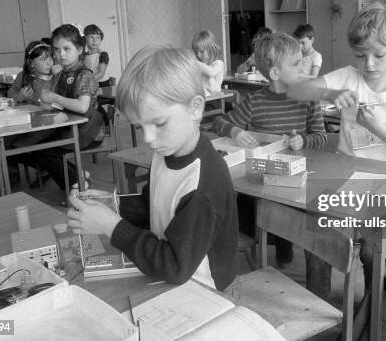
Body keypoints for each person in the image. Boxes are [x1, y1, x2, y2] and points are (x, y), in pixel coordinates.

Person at [68, 46, 239, 291]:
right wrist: (110, 205)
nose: (148, 138)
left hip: (205, 290)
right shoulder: (166, 150)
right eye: (139, 127)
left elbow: (175, 266)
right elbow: (154, 204)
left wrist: (111, 226)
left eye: (158, 123)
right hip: (169, 276)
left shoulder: (202, 184)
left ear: (195, 108)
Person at [288, 2, 386, 299]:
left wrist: (376, 127)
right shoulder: (349, 76)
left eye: (379, 55)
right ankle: (318, 310)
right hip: (344, 179)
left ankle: (373, 315)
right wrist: (331, 92)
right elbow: (297, 91)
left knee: (374, 254)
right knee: (318, 240)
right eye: (361, 55)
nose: (370, 64)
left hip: (385, 185)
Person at [213, 32, 326, 277]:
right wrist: (234, 130)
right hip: (266, 179)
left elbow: (321, 137)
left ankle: (294, 253)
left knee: (314, 225)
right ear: (275, 73)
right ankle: (278, 245)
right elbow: (219, 122)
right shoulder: (255, 101)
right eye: (296, 63)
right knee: (251, 201)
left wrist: (303, 139)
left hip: (301, 179)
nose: (302, 67)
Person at [27, 24, 103, 191]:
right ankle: (78, 176)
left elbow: (82, 107)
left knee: (45, 151)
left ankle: (77, 185)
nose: (61, 54)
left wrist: (54, 97)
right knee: (30, 147)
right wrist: (46, 101)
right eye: (56, 49)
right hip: (68, 125)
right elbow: (53, 102)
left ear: (80, 49)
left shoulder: (85, 74)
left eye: (67, 49)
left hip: (88, 129)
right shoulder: (62, 72)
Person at [8, 39, 59, 105]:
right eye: (43, 59)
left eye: (50, 58)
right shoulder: (23, 76)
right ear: (31, 63)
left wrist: (61, 74)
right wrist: (18, 97)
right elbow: (10, 94)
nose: (49, 63)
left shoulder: (57, 76)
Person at [82, 24, 111, 134]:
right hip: (90, 86)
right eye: (91, 37)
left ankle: (107, 125)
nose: (94, 41)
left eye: (98, 38)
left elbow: (100, 73)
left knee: (93, 104)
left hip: (102, 86)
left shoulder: (103, 55)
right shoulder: (84, 55)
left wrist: (85, 81)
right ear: (85, 38)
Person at [192, 30, 225, 96]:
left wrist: (196, 63)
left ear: (211, 49)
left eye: (201, 52)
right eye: (196, 52)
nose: (198, 55)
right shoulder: (201, 65)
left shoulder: (219, 63)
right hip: (203, 94)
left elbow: (211, 72)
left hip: (214, 96)